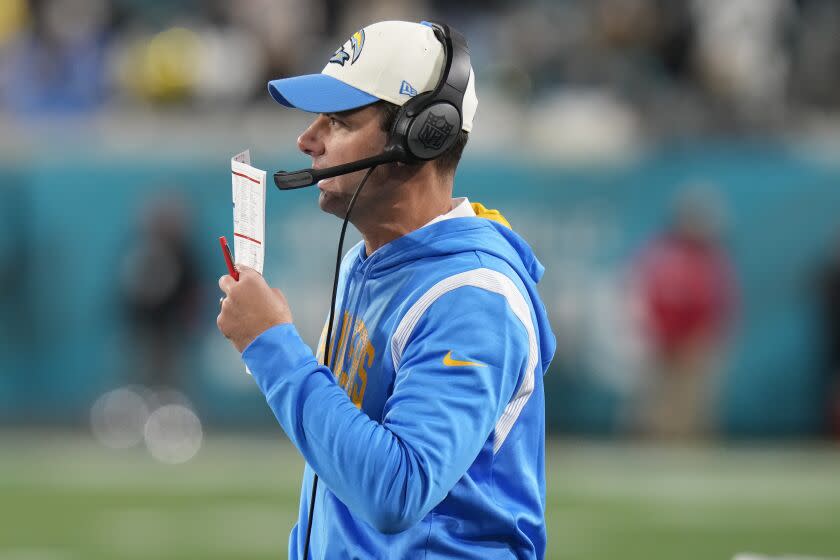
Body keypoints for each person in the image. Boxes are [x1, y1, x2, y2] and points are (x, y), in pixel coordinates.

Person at [217, 20, 556, 559]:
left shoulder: (471, 298)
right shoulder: (367, 262)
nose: (308, 140)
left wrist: (273, 348)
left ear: (424, 134)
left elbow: (397, 491)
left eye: (340, 121)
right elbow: (338, 479)